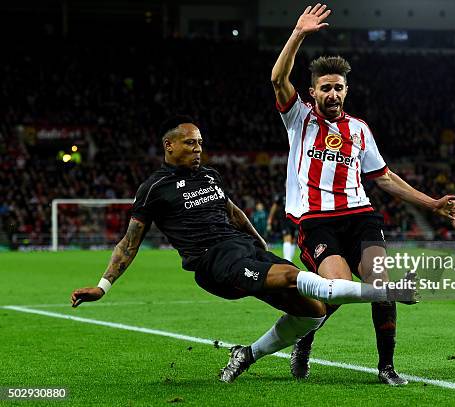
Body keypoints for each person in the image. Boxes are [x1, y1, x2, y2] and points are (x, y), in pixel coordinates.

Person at [70, 116, 407, 383]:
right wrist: (103, 286)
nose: (198, 148)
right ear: (169, 146)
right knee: (293, 276)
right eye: (190, 143)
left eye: (200, 143)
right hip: (213, 260)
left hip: (244, 249)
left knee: (314, 311)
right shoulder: (154, 188)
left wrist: (260, 247)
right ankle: (384, 291)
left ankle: (246, 354)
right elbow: (129, 243)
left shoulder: (210, 176)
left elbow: (234, 213)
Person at [271, 4, 455, 385]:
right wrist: (297, 34)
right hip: (316, 222)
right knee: (339, 289)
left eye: (338, 87)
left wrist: (433, 203)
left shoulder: (360, 130)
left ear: (346, 90)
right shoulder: (299, 118)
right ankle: (305, 338)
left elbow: (386, 178)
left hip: (361, 216)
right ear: (313, 91)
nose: (332, 93)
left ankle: (386, 367)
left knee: (380, 282)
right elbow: (278, 77)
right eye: (325, 87)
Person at [268, 193, 297, 261]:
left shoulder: (296, 193)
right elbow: (274, 206)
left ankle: (290, 260)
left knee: (293, 240)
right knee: (287, 237)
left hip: (295, 219)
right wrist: (270, 219)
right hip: (285, 219)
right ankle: (287, 260)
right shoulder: (282, 194)